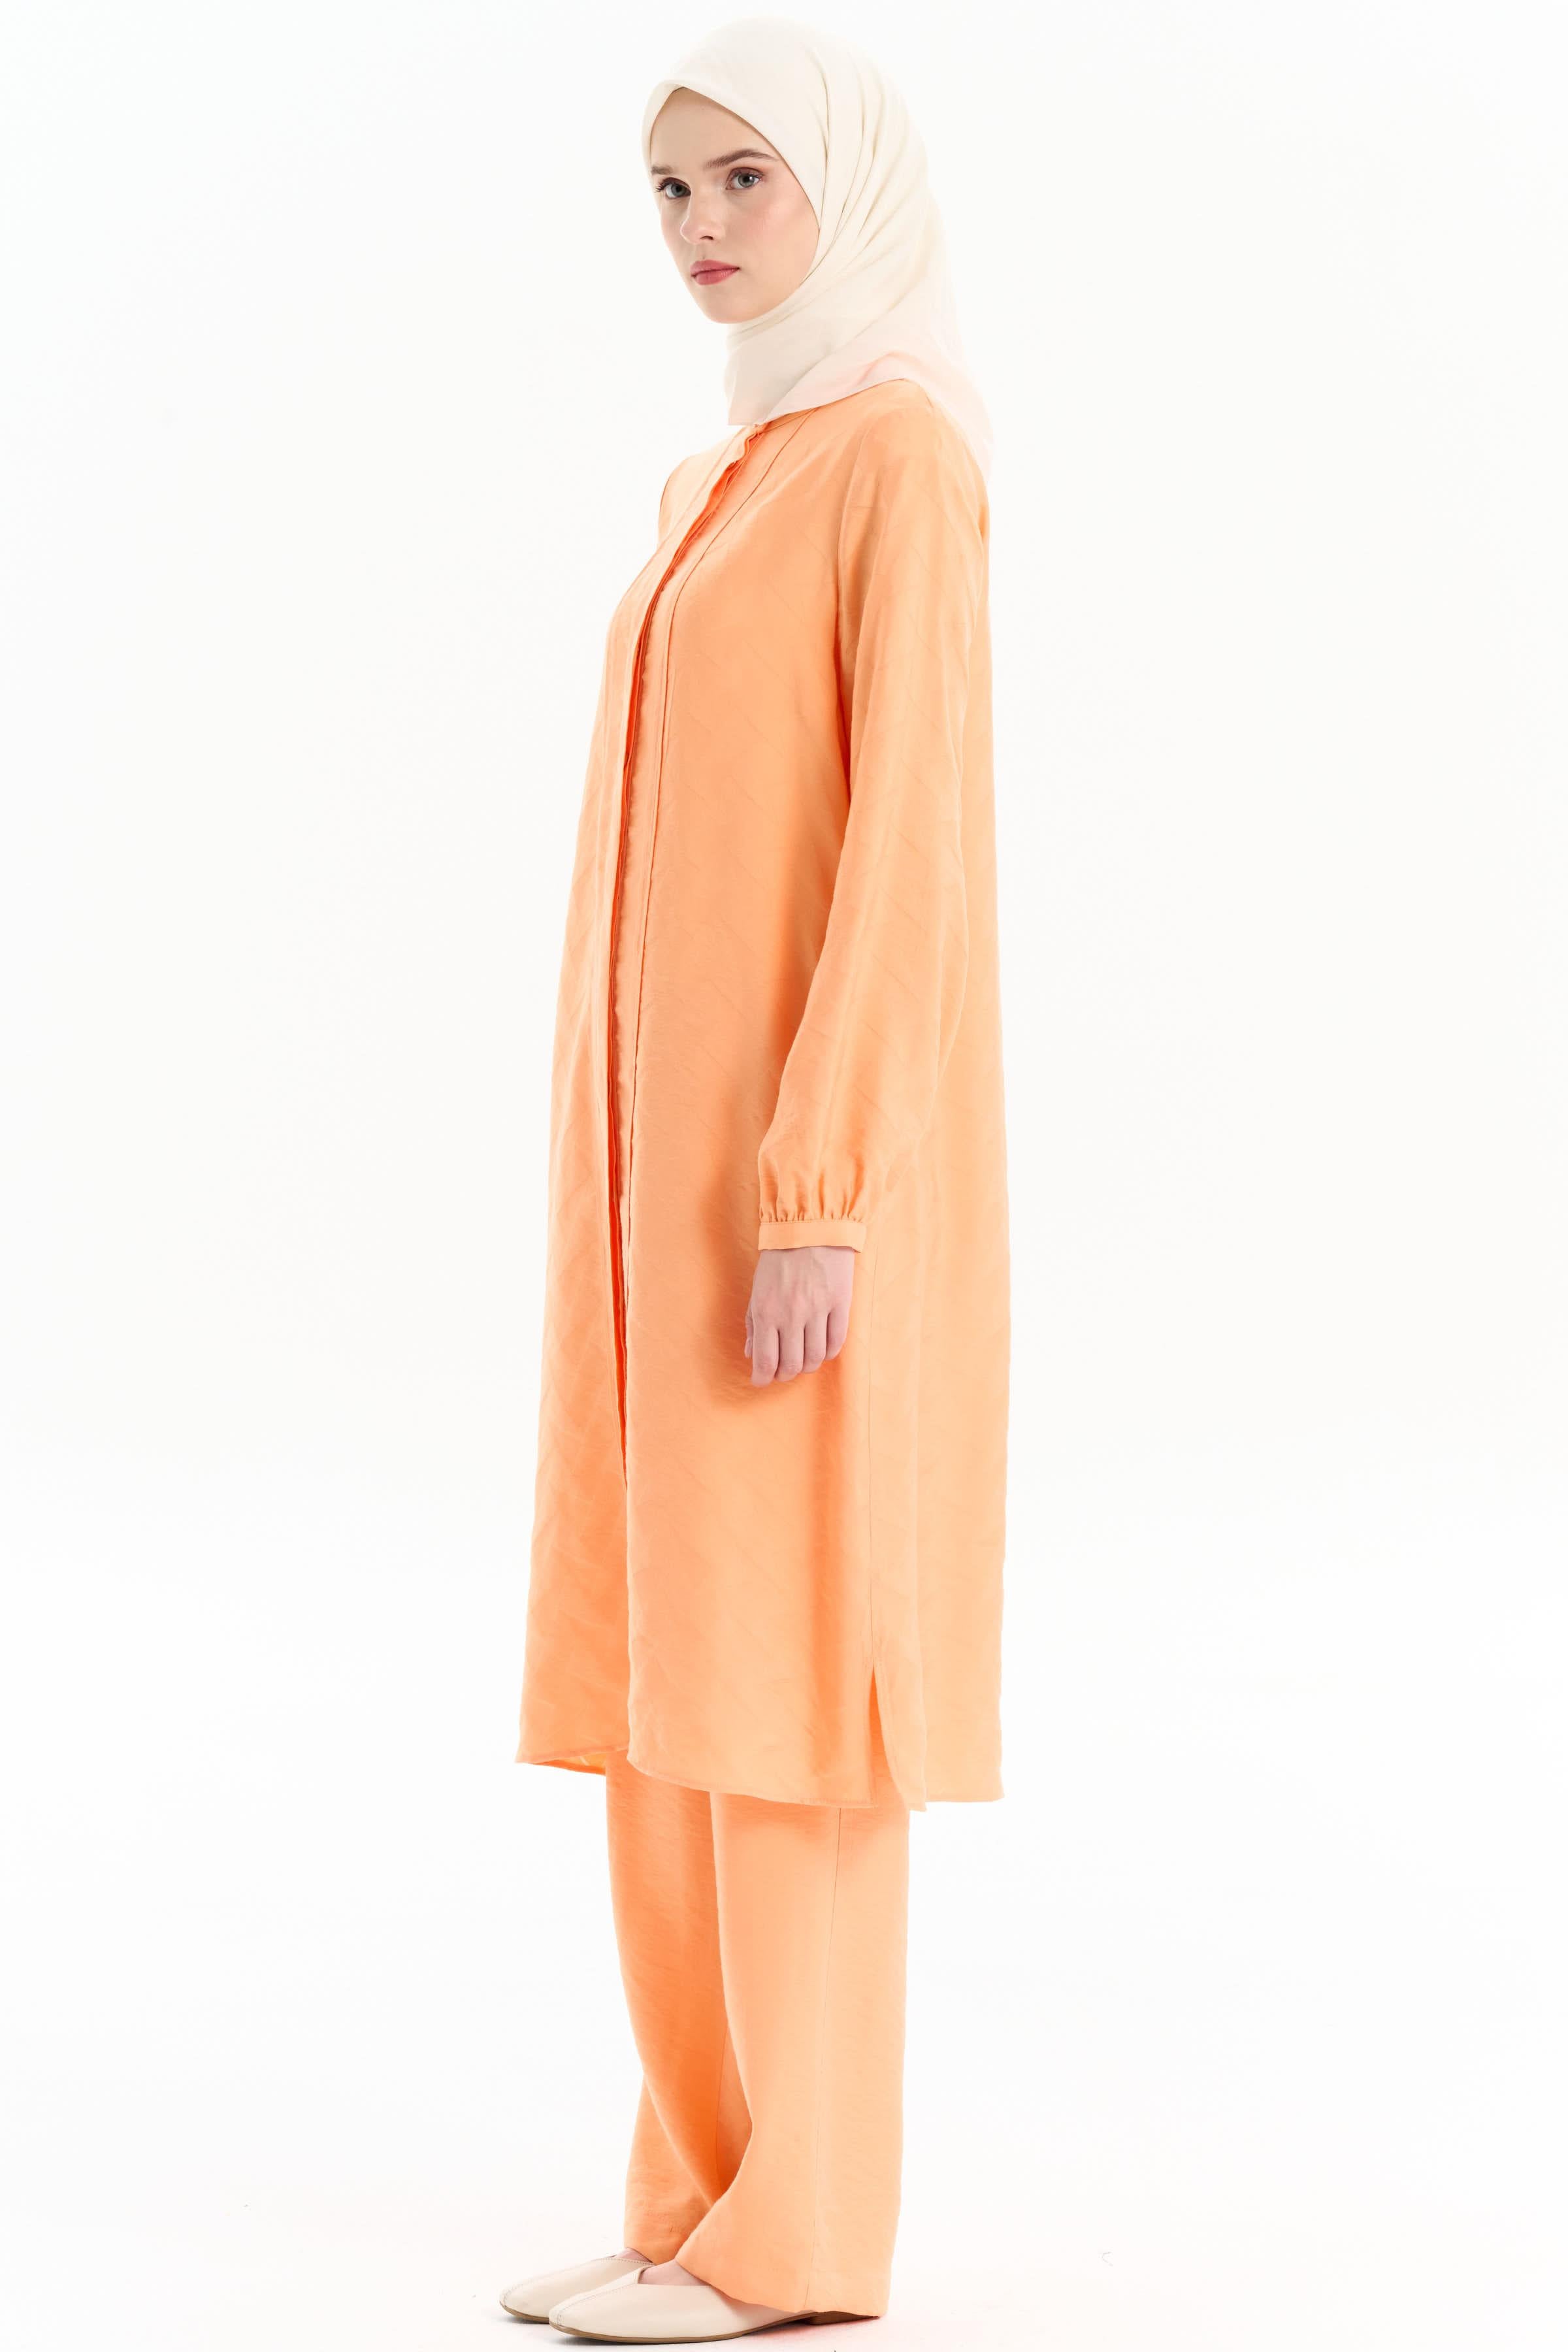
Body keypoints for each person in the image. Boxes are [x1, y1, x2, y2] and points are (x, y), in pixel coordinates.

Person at [502, 17, 1009, 2342]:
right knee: (666, 1682)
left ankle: (801, 2237)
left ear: (844, 188)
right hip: (650, 1202)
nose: (701, 230)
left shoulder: (899, 457)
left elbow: (906, 858)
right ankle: (694, 2195)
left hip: (800, 1208)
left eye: (744, 182)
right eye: (671, 191)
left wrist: (821, 1191)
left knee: (794, 1689)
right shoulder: (729, 467)